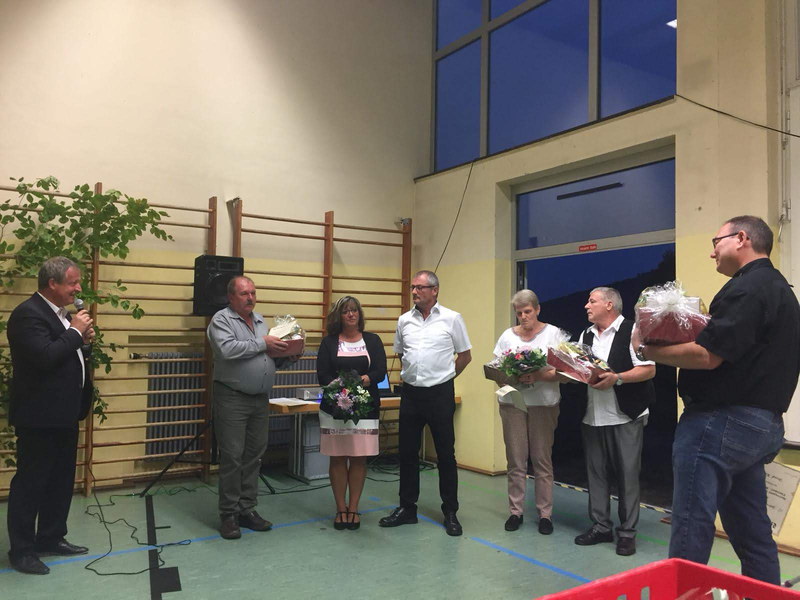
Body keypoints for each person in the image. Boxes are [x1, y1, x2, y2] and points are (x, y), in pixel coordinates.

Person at [634, 216, 800, 584]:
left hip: (719, 423)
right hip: (761, 428)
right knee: (752, 531)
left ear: (741, 238)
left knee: (691, 523)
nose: (712, 253)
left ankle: (683, 591)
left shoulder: (747, 290)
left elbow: (708, 356)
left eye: (716, 242)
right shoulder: (781, 291)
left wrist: (647, 349)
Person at [6, 256, 95, 575]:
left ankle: (51, 537)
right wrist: (75, 333)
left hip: (65, 413)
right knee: (31, 484)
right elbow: (44, 357)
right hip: (39, 416)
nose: (79, 288)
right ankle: (22, 551)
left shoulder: (62, 315)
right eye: (73, 282)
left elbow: (66, 356)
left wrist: (83, 343)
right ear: (52, 283)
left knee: (60, 480)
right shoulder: (27, 314)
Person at [379, 270, 472, 536]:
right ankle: (407, 508)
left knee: (445, 454)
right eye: (413, 287)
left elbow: (465, 356)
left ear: (435, 290)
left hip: (440, 394)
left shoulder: (452, 318)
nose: (414, 292)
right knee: (407, 453)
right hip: (411, 394)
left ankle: (450, 511)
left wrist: (444, 377)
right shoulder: (404, 320)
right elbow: (401, 353)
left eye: (420, 287)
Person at [207, 275, 293, 540]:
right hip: (232, 397)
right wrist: (264, 343)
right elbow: (227, 350)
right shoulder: (221, 320)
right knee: (233, 456)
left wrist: (287, 356)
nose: (250, 298)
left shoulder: (260, 321)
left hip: (259, 399)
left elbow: (265, 355)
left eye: (253, 293)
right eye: (244, 293)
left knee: (254, 455)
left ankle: (247, 509)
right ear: (231, 297)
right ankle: (229, 514)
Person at [572, 287, 655, 556]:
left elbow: (648, 370)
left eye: (591, 301)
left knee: (627, 475)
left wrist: (617, 378)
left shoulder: (632, 330)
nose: (586, 306)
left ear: (609, 305)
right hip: (593, 414)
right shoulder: (585, 335)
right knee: (596, 475)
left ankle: (627, 533)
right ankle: (601, 527)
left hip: (625, 415)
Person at [492, 290, 564, 534]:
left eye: (528, 311)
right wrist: (510, 376)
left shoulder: (553, 334)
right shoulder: (507, 336)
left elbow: (563, 371)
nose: (523, 317)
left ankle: (545, 514)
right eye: (519, 313)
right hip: (513, 403)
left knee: (542, 460)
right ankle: (516, 512)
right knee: (516, 459)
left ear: (537, 309)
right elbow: (496, 368)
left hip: (543, 403)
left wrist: (538, 375)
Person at [316, 296, 387, 530]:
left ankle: (353, 508)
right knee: (337, 458)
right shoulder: (328, 343)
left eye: (354, 310)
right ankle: (340, 509)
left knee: (359, 458)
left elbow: (379, 371)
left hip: (365, 408)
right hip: (335, 407)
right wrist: (342, 389)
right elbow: (323, 375)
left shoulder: (373, 340)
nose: (351, 314)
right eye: (346, 311)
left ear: (360, 314)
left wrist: (362, 381)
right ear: (338, 316)